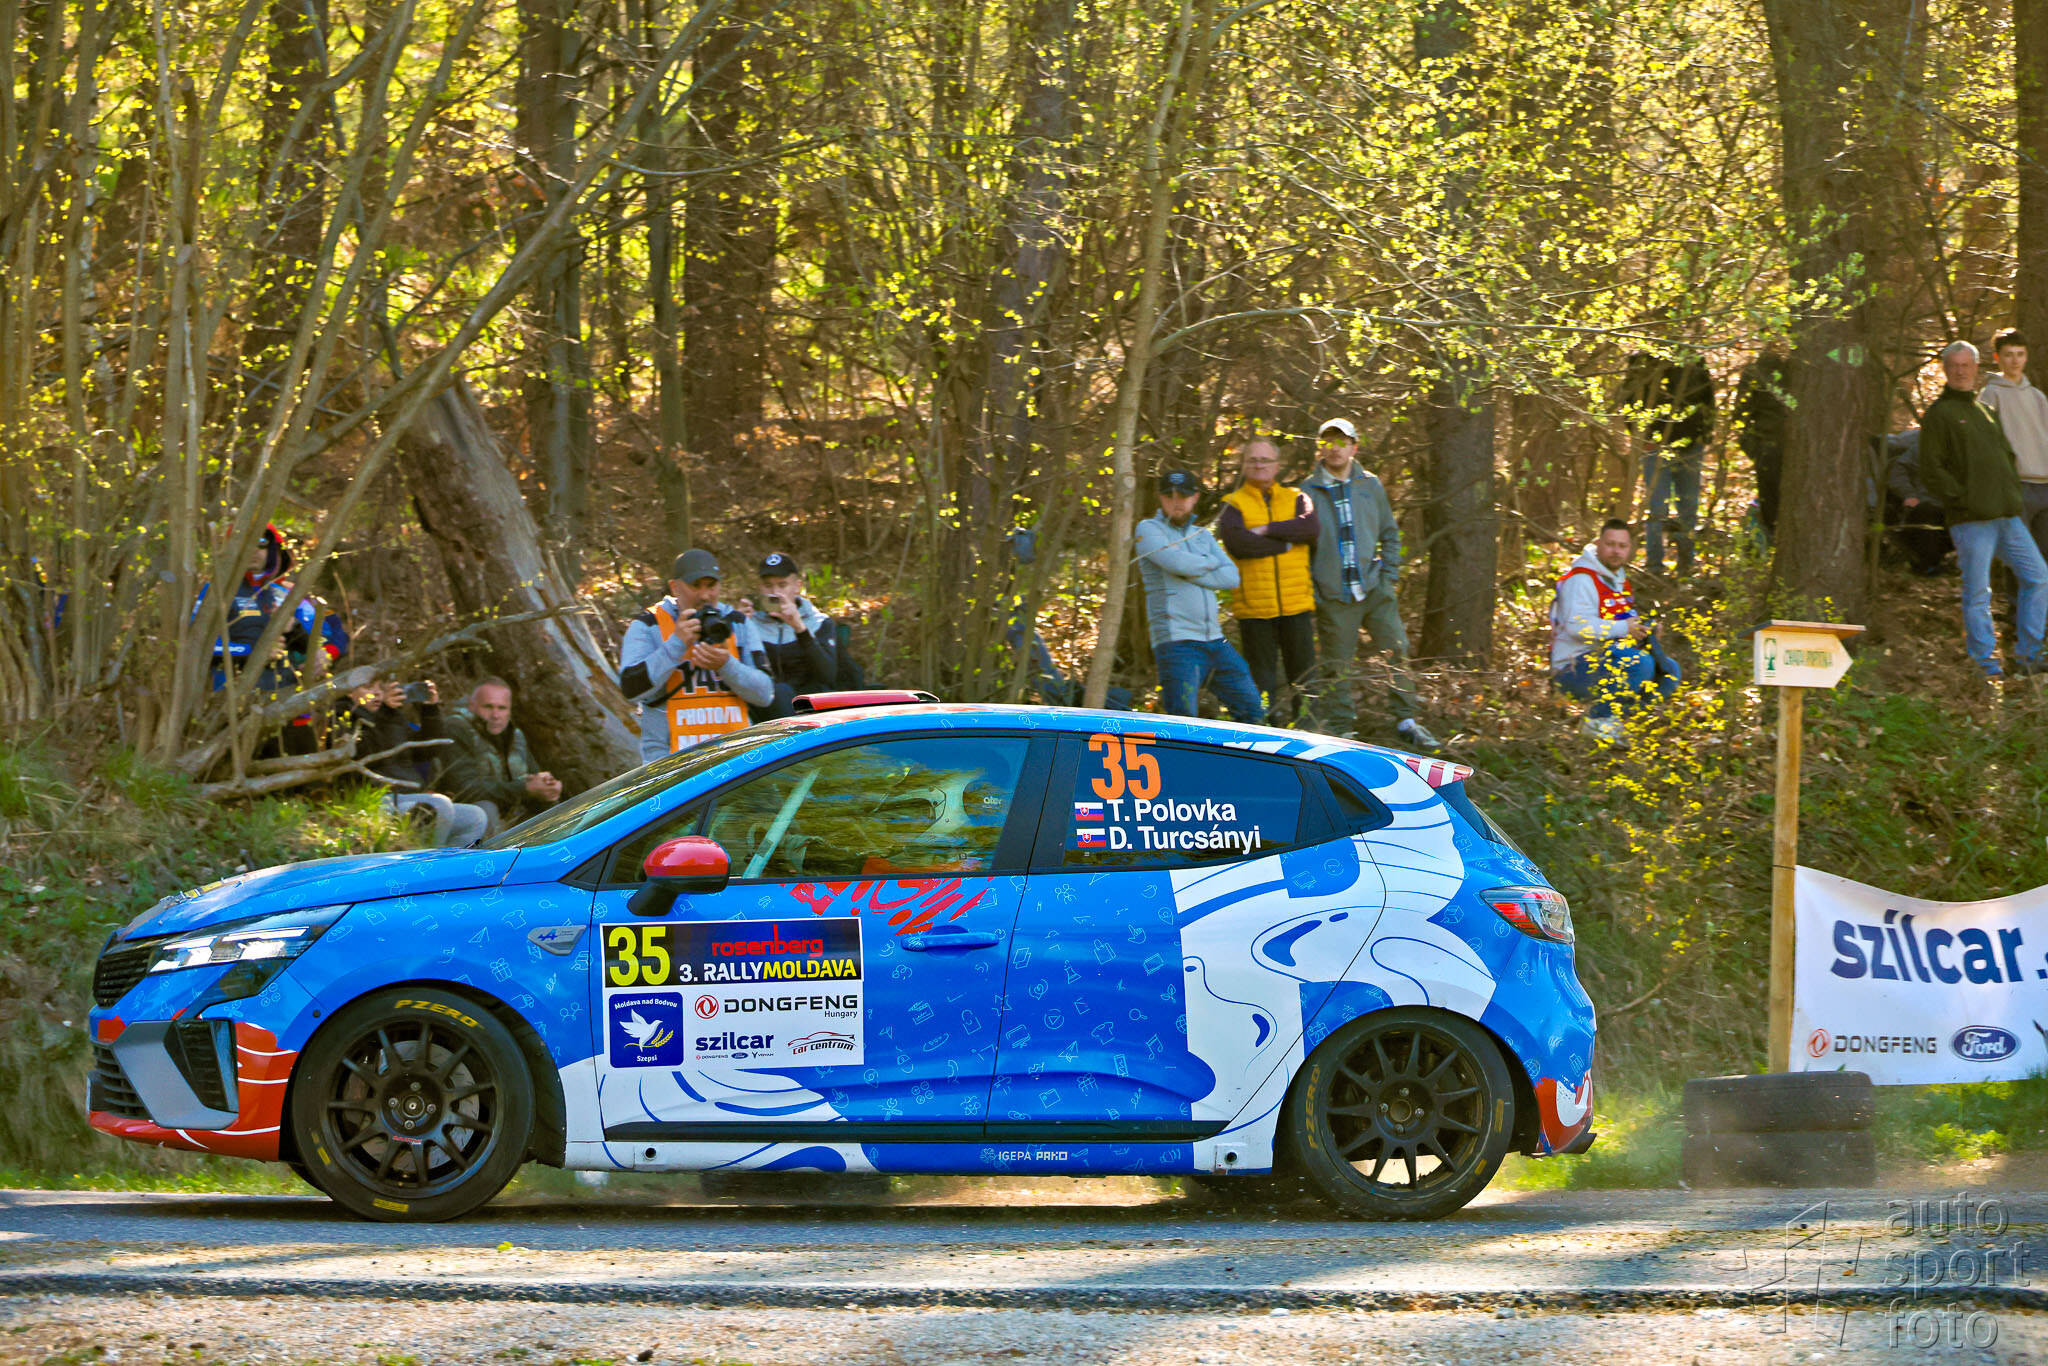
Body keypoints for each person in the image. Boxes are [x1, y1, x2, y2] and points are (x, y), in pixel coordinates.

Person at [1299, 417, 1439, 752]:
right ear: (1320, 447)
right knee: (1337, 665)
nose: (1335, 449)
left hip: (1374, 587)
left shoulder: (1370, 484)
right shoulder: (1307, 490)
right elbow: (1301, 546)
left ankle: (1406, 720)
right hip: (1334, 595)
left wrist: (1388, 576)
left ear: (1354, 447)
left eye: (1342, 442)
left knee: (1396, 648)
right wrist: (1315, 589)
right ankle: (1342, 730)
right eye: (1328, 442)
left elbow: (1389, 532)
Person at [1918, 340, 2048, 678]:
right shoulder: (1940, 414)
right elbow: (1931, 469)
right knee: (1978, 592)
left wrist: (2011, 496)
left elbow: (2007, 456)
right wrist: (1962, 498)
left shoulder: (1984, 411)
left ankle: (2029, 655)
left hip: (2007, 515)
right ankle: (1985, 664)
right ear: (1945, 369)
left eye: (1966, 365)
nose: (1961, 371)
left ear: (1976, 368)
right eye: (1954, 366)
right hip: (1972, 520)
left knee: (2038, 577)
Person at [203, 523, 351, 755]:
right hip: (237, 706)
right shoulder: (217, 590)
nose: (253, 550)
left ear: (274, 551)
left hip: (291, 704)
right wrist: (252, 652)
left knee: (305, 770)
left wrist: (323, 652)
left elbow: (334, 635)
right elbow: (199, 647)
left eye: (261, 544)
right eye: (245, 543)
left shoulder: (290, 593)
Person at [618, 548, 776, 762]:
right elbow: (630, 689)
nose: (704, 595)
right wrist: (676, 645)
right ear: (675, 587)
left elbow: (765, 695)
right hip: (670, 762)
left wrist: (727, 665)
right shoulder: (648, 624)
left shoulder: (738, 623)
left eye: (711, 586)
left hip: (735, 759)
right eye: (695, 586)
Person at [1134, 470, 1264, 722]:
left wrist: (1187, 570)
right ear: (1160, 498)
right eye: (1169, 496)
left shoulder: (1202, 535)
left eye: (1183, 496)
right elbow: (1175, 562)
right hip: (1177, 643)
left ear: (1194, 497)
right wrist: (1208, 564)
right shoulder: (1148, 529)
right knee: (1182, 720)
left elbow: (1231, 577)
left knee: (1253, 710)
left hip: (1215, 641)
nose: (1176, 502)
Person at [1217, 438, 1320, 725]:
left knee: (1304, 677)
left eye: (1265, 460)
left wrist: (1266, 529)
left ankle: (1307, 728)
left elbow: (1310, 528)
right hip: (1254, 608)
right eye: (1253, 460)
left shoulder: (1297, 497)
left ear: (1277, 465)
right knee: (1261, 679)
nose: (1259, 465)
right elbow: (1239, 544)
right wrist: (1286, 543)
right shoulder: (1232, 504)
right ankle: (1265, 730)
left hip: (1296, 604)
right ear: (1243, 465)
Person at [1549, 519, 1681, 741]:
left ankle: (1613, 719)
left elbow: (1618, 621)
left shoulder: (1616, 580)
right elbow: (1576, 626)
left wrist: (1642, 629)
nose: (1616, 551)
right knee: (1640, 664)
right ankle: (1597, 720)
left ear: (1630, 549)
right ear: (1598, 544)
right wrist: (1624, 628)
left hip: (1605, 659)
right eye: (1610, 544)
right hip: (1571, 668)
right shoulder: (1581, 580)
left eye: (1622, 546)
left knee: (1670, 672)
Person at [337, 679, 488, 848]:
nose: (377, 692)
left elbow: (427, 751)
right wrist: (383, 712)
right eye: (368, 687)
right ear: (349, 691)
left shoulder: (389, 715)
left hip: (406, 796)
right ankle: (430, 862)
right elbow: (369, 753)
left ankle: (450, 862)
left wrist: (430, 711)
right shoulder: (342, 717)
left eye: (380, 686)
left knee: (475, 817)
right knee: (439, 806)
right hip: (375, 799)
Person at [1621, 350, 1715, 574]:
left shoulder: (1694, 361)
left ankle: (1687, 562)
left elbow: (1708, 400)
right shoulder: (1642, 361)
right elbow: (1628, 403)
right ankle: (1654, 564)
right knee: (1657, 506)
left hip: (1690, 445)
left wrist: (1704, 435)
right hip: (1655, 447)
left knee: (1689, 505)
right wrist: (1642, 437)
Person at [442, 678, 562, 830]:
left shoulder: (514, 734)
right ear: (472, 706)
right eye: (488, 707)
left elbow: (532, 776)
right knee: (486, 809)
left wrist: (547, 787)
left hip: (512, 812)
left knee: (551, 806)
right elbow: (465, 789)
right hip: (468, 814)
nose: (495, 715)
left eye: (502, 708)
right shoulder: (455, 728)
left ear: (509, 710)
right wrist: (524, 789)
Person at [1977, 330, 2048, 561]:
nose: (2015, 361)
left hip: (2044, 484)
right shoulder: (1990, 394)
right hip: (2015, 485)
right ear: (1997, 358)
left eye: (2020, 354)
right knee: (2020, 556)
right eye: (2008, 354)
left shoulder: (2037, 397)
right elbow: (1984, 443)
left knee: (2044, 555)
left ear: (2026, 357)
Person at [749, 552, 842, 706]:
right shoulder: (751, 623)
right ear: (760, 588)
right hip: (765, 706)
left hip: (808, 707)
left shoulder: (819, 622)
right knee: (779, 691)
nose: (775, 593)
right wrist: (738, 627)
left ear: (797, 587)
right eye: (768, 585)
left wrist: (800, 629)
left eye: (782, 585)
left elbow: (828, 676)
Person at [1734, 349, 1789, 544]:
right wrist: (1755, 449)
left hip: (1794, 451)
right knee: (1771, 507)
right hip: (1769, 449)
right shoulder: (1756, 372)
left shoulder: (1802, 369)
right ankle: (1772, 546)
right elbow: (1740, 417)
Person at [1881, 428, 1951, 575]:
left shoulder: (1969, 451)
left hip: (1955, 507)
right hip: (1926, 506)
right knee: (1927, 514)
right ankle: (1929, 565)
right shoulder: (1924, 448)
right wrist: (1909, 494)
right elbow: (1897, 471)